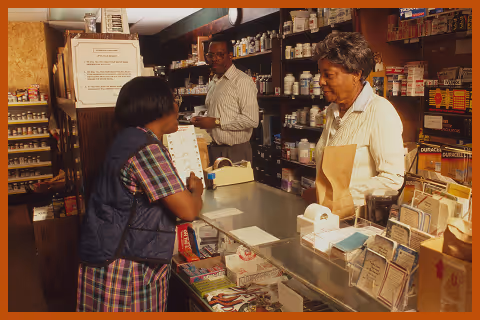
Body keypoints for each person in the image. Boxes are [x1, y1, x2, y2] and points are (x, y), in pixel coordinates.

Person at [76, 77, 203, 312]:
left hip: (108, 254)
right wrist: (197, 191)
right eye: (174, 100)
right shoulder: (147, 149)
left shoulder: (129, 138)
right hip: (127, 269)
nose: (177, 108)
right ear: (159, 106)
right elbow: (189, 210)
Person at [303, 32, 405, 209]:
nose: (320, 81)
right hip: (327, 217)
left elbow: (391, 179)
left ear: (356, 74)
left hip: (357, 221)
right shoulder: (332, 111)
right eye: (320, 74)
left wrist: (342, 198)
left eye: (329, 75)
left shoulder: (379, 111)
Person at [191, 36, 259, 164]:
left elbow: (251, 120)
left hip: (235, 151)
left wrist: (216, 122)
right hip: (215, 149)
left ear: (230, 56)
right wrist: (202, 118)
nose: (214, 59)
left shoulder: (242, 81)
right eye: (211, 55)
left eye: (220, 55)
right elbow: (219, 110)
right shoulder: (214, 81)